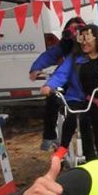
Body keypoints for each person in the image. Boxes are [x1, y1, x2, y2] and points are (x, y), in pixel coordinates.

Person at [41, 24, 98, 162]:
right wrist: (49, 86)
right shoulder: (74, 58)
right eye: (81, 39)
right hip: (80, 99)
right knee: (76, 117)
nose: (84, 43)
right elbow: (61, 74)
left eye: (87, 39)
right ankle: (65, 148)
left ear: (96, 39)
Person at [30, 17, 86, 151]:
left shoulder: (92, 47)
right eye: (70, 31)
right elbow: (51, 56)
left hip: (86, 85)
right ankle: (50, 136)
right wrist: (36, 68)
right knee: (52, 99)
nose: (74, 35)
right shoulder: (66, 48)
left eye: (78, 30)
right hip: (69, 84)